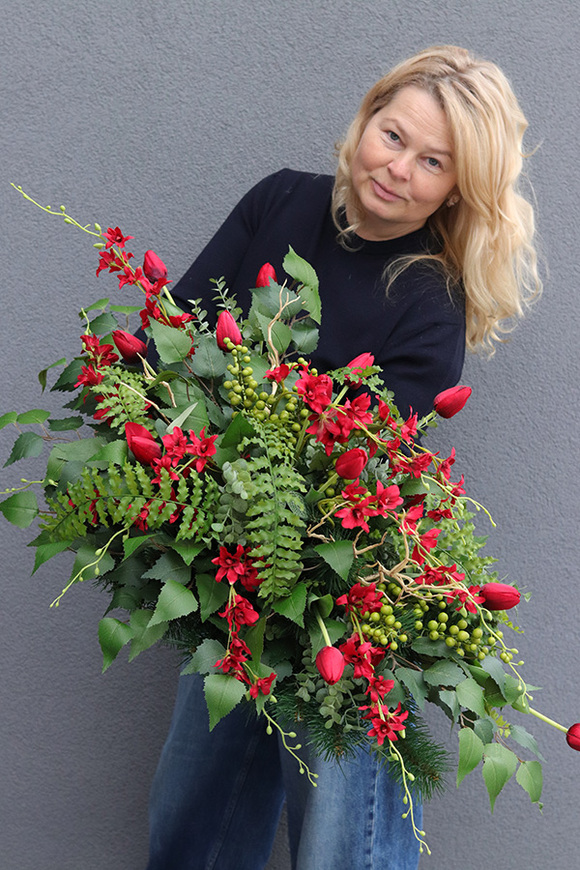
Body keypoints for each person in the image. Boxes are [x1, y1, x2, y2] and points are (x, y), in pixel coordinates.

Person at [145, 46, 541, 870]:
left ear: (458, 189)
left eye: (433, 163)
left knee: (339, 848)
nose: (398, 170)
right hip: (231, 576)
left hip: (339, 596)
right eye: (392, 136)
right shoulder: (282, 201)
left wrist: (235, 421)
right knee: (191, 829)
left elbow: (338, 466)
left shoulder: (429, 305)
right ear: (366, 118)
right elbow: (175, 339)